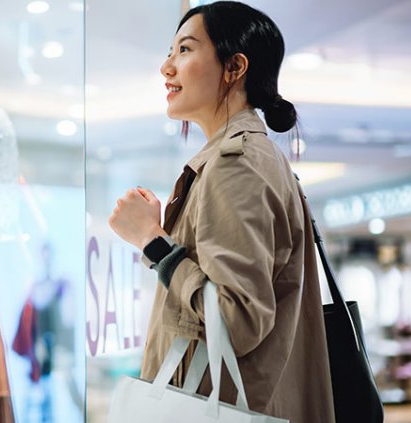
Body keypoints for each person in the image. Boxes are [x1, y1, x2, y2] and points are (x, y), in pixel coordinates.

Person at [108, 2, 336, 422]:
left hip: (218, 401)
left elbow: (237, 321)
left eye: (185, 50)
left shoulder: (236, 164)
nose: (166, 67)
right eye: (170, 51)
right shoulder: (246, 157)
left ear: (234, 67)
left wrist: (152, 240)